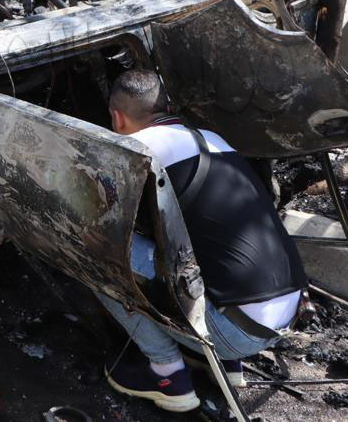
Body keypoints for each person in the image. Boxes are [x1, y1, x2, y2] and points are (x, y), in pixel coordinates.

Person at [98, 69, 307, 413]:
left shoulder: (136, 150)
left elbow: (105, 217)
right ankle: (223, 363)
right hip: (282, 318)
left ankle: (166, 374)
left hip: (236, 332)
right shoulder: (212, 139)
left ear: (117, 117)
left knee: (98, 249)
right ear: (166, 109)